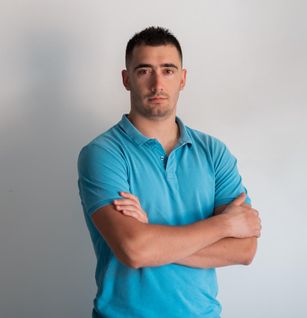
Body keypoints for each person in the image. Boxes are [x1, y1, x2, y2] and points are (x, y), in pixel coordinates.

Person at [77, 26, 261, 318]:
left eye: (168, 70)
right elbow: (135, 250)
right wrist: (224, 226)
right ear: (126, 79)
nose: (157, 83)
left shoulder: (213, 152)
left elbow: (244, 250)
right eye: (144, 71)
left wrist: (154, 239)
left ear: (183, 79)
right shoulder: (102, 153)